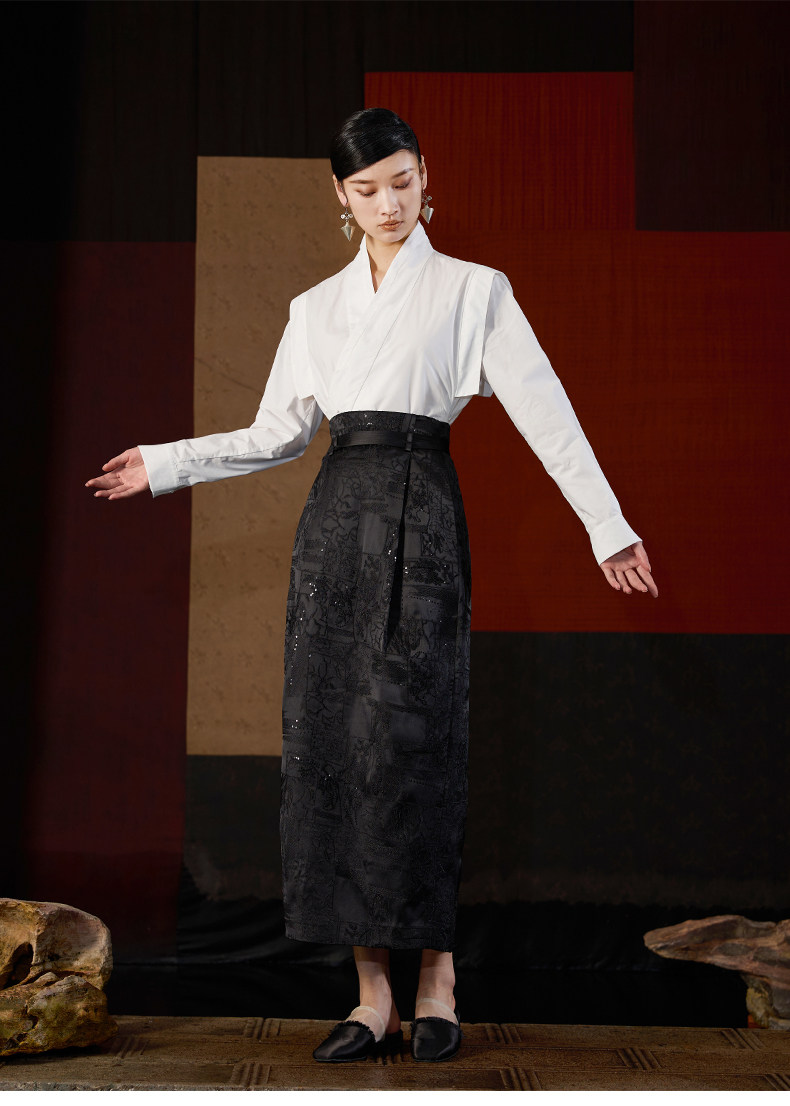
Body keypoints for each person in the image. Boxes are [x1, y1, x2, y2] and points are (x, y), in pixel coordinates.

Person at [86, 108, 657, 1064]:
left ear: (426, 177)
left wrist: (608, 526)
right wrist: (165, 461)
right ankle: (371, 993)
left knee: (416, 747)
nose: (388, 204)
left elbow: (547, 413)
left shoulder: (474, 289)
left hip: (423, 518)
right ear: (341, 198)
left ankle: (438, 976)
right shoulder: (315, 307)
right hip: (334, 532)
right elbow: (276, 435)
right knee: (335, 752)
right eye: (367, 190)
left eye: (401, 182)